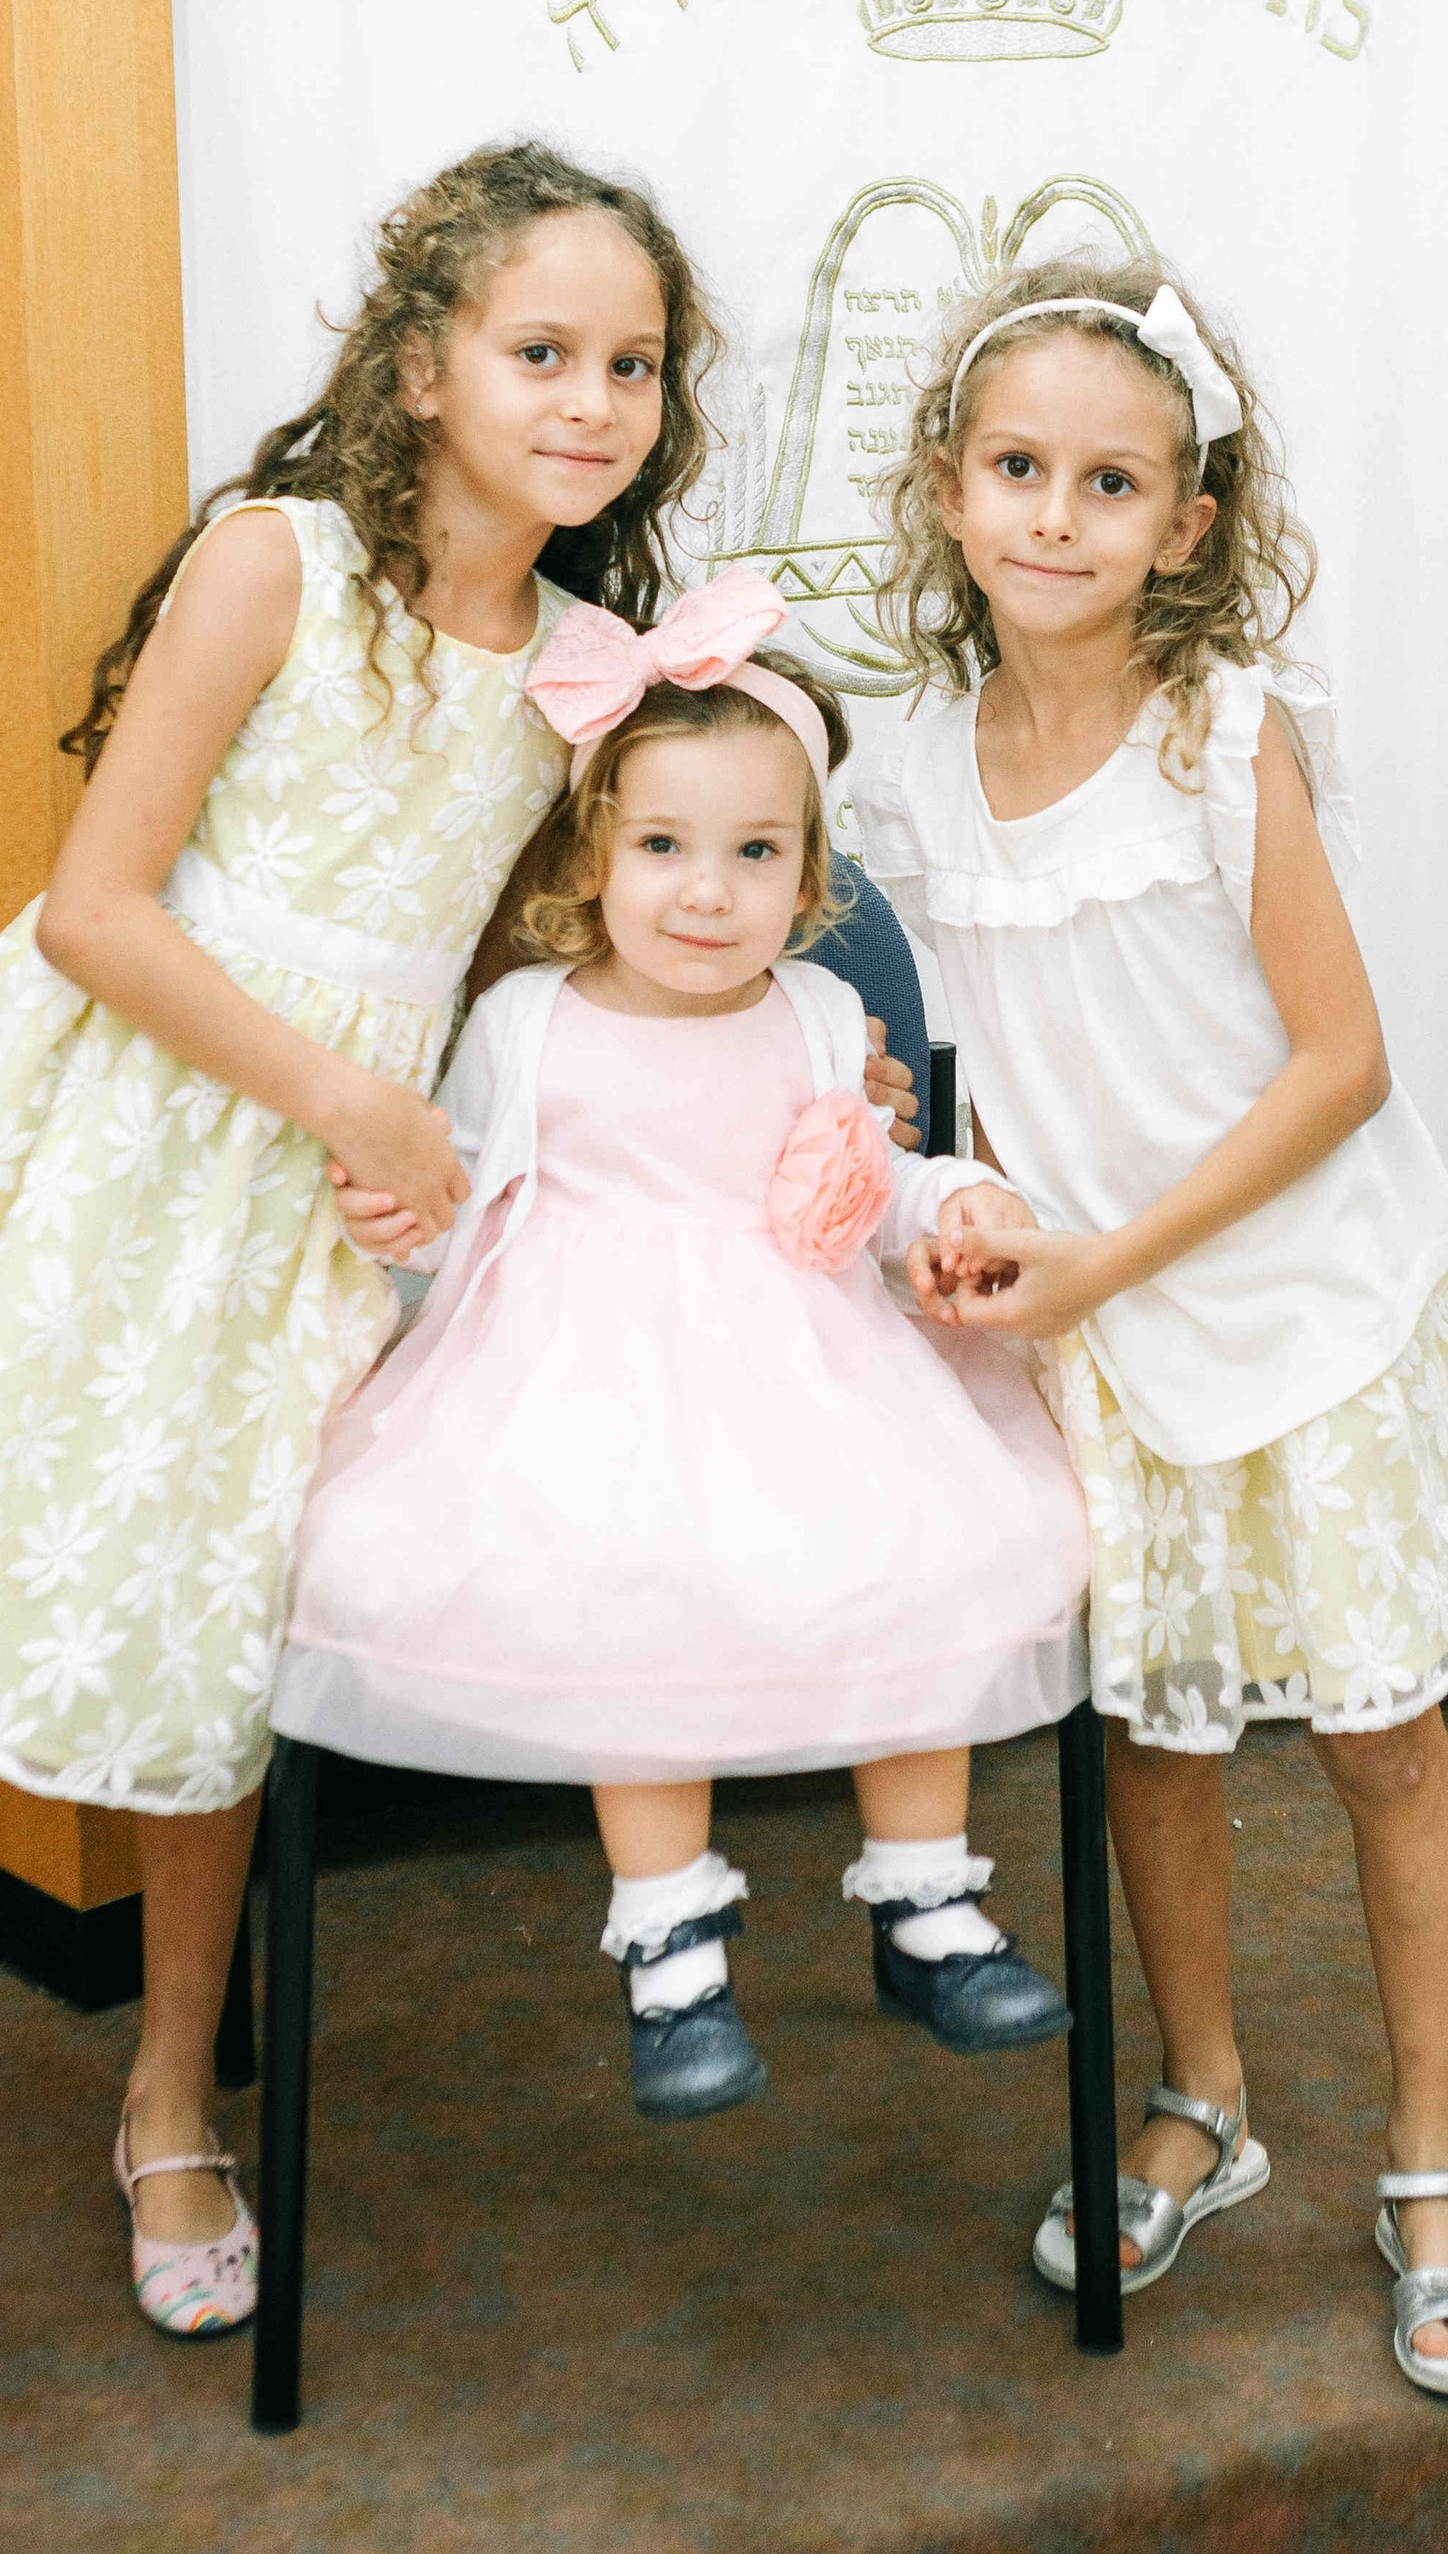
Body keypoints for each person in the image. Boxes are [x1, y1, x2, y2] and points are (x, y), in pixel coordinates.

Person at [0, 141, 725, 2425]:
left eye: (632, 365)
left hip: (319, 1212)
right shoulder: (277, 564)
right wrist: (342, 1099)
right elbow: (95, 909)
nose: (591, 401)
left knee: (223, 1650)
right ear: (419, 365)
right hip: (117, 1145)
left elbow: (524, 948)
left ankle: (166, 2097)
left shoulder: (576, 666)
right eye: (542, 350)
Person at [855, 257, 1448, 2397]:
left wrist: (1107, 1257)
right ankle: (1202, 2095)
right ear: (947, 488)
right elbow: (979, 1059)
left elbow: (1338, 1065)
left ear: (1184, 524)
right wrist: (967, 1198)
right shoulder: (910, 765)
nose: (1055, 515)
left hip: (1304, 1305)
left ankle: (1431, 2151)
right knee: (1152, 1738)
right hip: (1101, 1334)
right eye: (1017, 468)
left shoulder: (1219, 732)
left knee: (1377, 1734)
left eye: (1111, 483)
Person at [273, 570, 1091, 2118]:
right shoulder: (527, 1022)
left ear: (807, 873)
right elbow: (462, 1194)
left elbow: (871, 1180)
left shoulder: (816, 1016)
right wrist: (397, 1219)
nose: (707, 893)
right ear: (594, 855)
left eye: (755, 853)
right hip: (577, 1381)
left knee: (921, 1552)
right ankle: (670, 1946)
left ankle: (926, 1902)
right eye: (662, 848)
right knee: (625, 1598)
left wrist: (957, 1197)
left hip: (810, 1371)